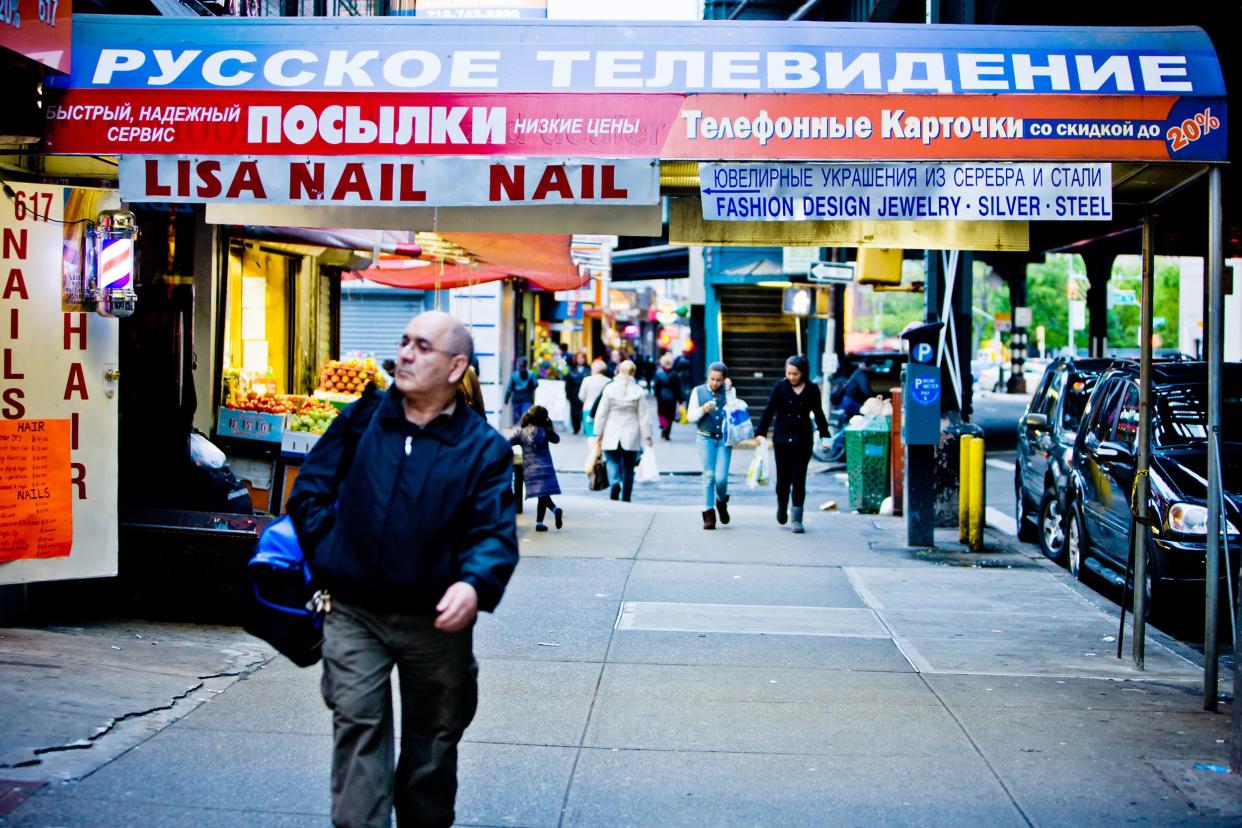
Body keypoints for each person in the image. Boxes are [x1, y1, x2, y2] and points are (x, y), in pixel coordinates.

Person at [285, 311, 518, 828]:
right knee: (358, 729)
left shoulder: (483, 448)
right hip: (354, 613)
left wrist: (473, 584)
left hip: (434, 623)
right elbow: (311, 491)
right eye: (404, 342)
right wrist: (331, 554)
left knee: (432, 748)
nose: (406, 354)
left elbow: (494, 533)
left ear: (456, 366)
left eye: (423, 346)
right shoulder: (362, 419)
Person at [755, 354, 831, 534]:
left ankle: (797, 517)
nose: (791, 377)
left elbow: (818, 413)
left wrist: (825, 435)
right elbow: (769, 410)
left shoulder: (812, 390)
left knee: (799, 479)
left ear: (803, 373)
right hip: (781, 440)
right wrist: (760, 432)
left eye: (795, 374)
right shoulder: (780, 388)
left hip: (803, 441)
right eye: (788, 373)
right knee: (783, 480)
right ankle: (782, 505)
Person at [591, 359, 653, 502]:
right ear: (633, 372)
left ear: (618, 371)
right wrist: (648, 437)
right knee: (629, 467)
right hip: (631, 432)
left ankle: (615, 482)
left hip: (612, 430)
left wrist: (597, 433)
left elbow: (602, 413)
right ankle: (626, 496)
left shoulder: (610, 388)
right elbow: (644, 416)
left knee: (611, 459)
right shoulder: (638, 390)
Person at [687, 361, 737, 530]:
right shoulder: (698, 391)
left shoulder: (729, 391)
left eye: (718, 380)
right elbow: (690, 417)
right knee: (708, 476)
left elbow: (734, 411)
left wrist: (729, 391)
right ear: (708, 376)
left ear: (724, 380)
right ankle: (709, 513)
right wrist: (703, 409)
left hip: (724, 439)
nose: (715, 383)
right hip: (705, 438)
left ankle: (721, 502)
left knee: (721, 478)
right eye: (712, 379)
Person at [508, 405, 564, 532]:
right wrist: (549, 426)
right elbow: (557, 439)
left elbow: (506, 443)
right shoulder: (545, 431)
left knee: (542, 495)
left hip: (530, 469)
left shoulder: (522, 433)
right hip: (546, 468)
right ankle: (543, 519)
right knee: (543, 495)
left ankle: (545, 518)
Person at [578, 359, 611, 438]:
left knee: (591, 435)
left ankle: (594, 449)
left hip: (588, 408)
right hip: (604, 410)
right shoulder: (609, 381)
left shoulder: (587, 380)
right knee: (601, 435)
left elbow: (581, 396)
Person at [653, 353, 682, 441]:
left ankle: (663, 425)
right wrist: (679, 398)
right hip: (672, 398)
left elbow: (656, 386)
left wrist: (656, 395)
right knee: (670, 416)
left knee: (661, 413)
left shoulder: (658, 373)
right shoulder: (675, 374)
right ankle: (667, 433)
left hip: (661, 397)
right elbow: (678, 388)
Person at [503, 357, 538, 425]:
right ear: (526, 365)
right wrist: (530, 388)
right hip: (527, 398)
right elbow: (536, 384)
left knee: (517, 419)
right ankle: (525, 432)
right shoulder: (531, 374)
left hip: (517, 398)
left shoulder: (514, 375)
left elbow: (509, 389)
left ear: (518, 365)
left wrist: (506, 399)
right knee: (526, 418)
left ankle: (519, 431)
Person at [564, 352, 590, 435]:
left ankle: (586, 428)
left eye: (582, 358)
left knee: (585, 411)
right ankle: (576, 428)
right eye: (578, 358)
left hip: (585, 393)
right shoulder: (571, 369)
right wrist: (567, 394)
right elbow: (568, 383)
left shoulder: (588, 369)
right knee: (574, 412)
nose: (580, 360)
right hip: (574, 393)